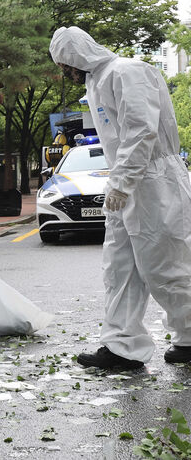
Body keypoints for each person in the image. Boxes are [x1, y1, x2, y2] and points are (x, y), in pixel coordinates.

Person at [50, 26, 191, 369]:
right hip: (126, 182)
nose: (64, 72)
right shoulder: (97, 81)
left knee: (165, 265)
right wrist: (120, 182)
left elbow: (141, 128)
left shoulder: (127, 71)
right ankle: (122, 347)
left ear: (76, 56)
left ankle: (190, 337)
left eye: (65, 64)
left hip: (154, 181)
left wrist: (123, 181)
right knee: (120, 267)